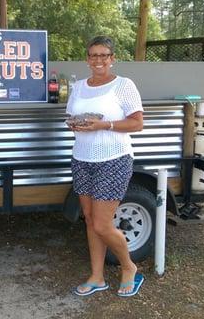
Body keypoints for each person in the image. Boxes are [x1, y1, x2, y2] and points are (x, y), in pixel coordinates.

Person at [66, 36, 144, 298]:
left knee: (101, 224)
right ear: (87, 59)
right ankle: (97, 276)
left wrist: (105, 125)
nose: (98, 60)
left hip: (113, 159)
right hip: (82, 158)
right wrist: (74, 124)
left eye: (104, 55)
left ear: (112, 58)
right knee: (89, 220)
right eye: (93, 55)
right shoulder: (78, 87)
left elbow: (137, 123)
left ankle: (128, 266)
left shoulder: (124, 85)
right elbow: (71, 116)